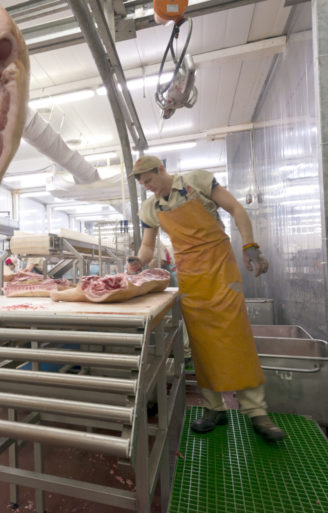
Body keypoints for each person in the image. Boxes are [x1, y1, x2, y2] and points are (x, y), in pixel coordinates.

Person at [125, 155, 285, 442]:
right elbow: (148, 245)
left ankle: (257, 412)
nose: (147, 186)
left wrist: (250, 247)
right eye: (142, 183)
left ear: (161, 169)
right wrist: (137, 261)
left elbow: (235, 208)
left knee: (237, 338)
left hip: (221, 268)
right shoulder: (152, 207)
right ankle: (215, 408)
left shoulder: (196, 181)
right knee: (201, 343)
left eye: (149, 179)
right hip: (191, 276)